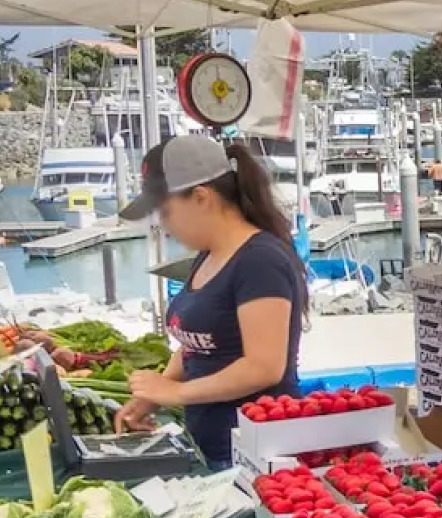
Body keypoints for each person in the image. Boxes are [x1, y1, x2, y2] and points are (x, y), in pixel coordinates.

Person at [115, 135, 307, 470]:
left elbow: (264, 366)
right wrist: (154, 395)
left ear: (201, 197)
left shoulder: (260, 261)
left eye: (165, 211)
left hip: (257, 459)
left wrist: (176, 394)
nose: (163, 225)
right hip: (209, 450)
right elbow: (196, 342)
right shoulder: (208, 256)